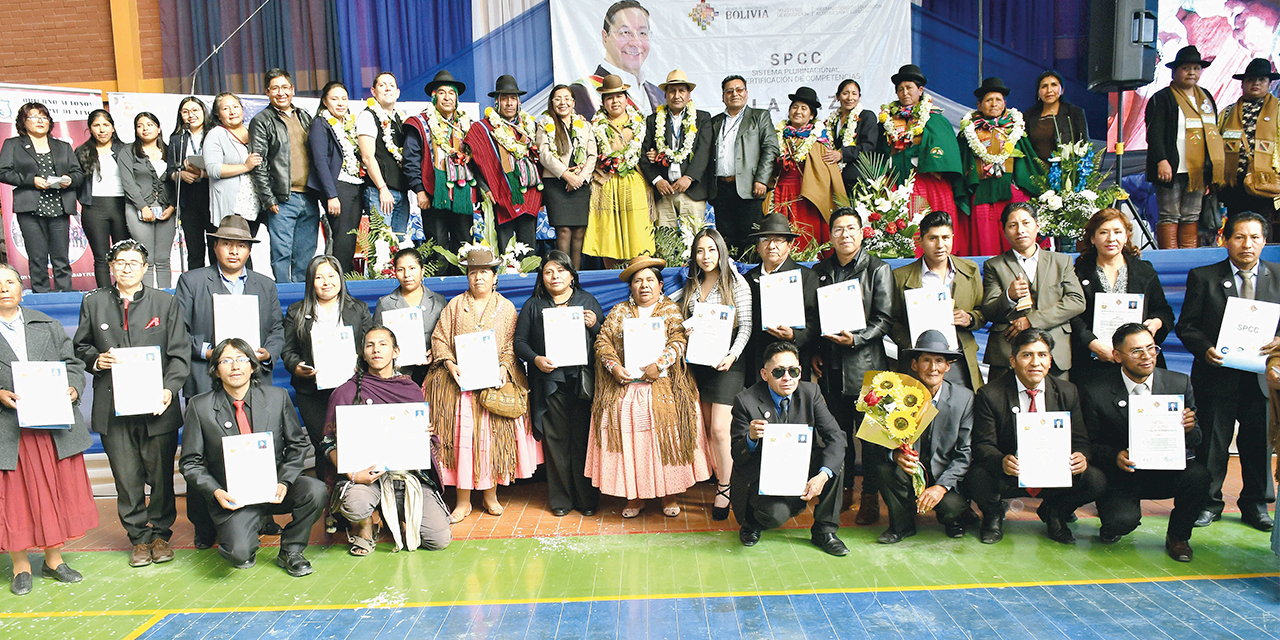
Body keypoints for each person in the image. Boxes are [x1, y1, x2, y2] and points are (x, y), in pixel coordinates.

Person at [73, 239, 190, 567]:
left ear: (145, 267)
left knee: (162, 476)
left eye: (133, 262)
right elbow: (80, 347)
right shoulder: (94, 302)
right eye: (120, 262)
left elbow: (179, 354)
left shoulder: (164, 303)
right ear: (110, 267)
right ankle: (138, 539)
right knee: (126, 478)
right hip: (114, 410)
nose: (126, 267)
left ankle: (160, 535)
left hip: (157, 408)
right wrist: (97, 360)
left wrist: (169, 390)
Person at [173, 214, 284, 547]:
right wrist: (209, 352)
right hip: (207, 380)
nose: (234, 251)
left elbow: (277, 330)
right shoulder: (192, 282)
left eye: (241, 245)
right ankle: (204, 526)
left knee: (257, 444)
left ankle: (262, 514)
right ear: (215, 246)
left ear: (248, 250)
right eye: (227, 244)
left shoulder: (265, 284)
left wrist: (265, 353)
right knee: (203, 454)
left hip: (253, 380)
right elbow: (179, 331)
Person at [180, 338, 325, 577]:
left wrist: (284, 481)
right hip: (232, 495)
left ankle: (292, 551)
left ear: (253, 365)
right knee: (238, 554)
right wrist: (216, 491)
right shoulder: (200, 406)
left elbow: (297, 445)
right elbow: (190, 462)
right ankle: (247, 530)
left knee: (315, 491)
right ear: (216, 370)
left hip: (275, 487)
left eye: (241, 359)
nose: (235, 366)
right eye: (226, 360)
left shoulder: (277, 397)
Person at [422, 245, 541, 522]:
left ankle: (490, 495)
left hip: (492, 386)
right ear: (467, 276)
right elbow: (439, 338)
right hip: (460, 387)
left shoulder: (506, 308)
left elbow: (513, 344)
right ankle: (462, 501)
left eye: (484, 273)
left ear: (494, 276)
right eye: (473, 273)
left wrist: (503, 367)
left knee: (491, 439)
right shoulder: (454, 306)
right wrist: (450, 364)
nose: (479, 278)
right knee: (463, 440)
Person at [1174, 211, 1277, 531]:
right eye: (1240, 237)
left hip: (1262, 378)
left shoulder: (1278, 276)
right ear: (1225, 239)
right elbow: (1186, 326)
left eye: (1255, 237)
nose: (1248, 244)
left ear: (1264, 241)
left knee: (1259, 442)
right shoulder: (1204, 276)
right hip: (1216, 375)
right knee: (1213, 445)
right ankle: (1208, 502)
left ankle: (1256, 504)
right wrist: (1205, 350)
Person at [587, 254, 711, 517]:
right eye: (638, 281)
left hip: (662, 384)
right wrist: (614, 367)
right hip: (626, 384)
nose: (644, 285)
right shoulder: (619, 312)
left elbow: (678, 339)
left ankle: (669, 495)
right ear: (631, 287)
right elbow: (602, 342)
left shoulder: (670, 310)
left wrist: (661, 364)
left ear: (660, 285)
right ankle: (634, 497)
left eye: (650, 280)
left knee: (665, 434)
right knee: (628, 432)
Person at [0, 264, 98, 596]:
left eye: (10, 281)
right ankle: (21, 565)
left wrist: (72, 387)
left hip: (49, 425)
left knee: (52, 492)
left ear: (20, 287)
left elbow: (74, 364)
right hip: (9, 432)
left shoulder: (47, 324)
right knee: (15, 499)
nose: (4, 288)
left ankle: (54, 560)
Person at [1078, 323, 1209, 561]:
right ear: (1117, 356)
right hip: (1121, 475)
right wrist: (1115, 456)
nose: (1147, 356)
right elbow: (1088, 443)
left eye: (1151, 348)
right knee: (1119, 523)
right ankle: (1112, 522)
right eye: (1136, 351)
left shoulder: (1179, 383)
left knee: (1199, 476)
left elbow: (1197, 439)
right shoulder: (1095, 390)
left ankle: (1179, 537)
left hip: (1165, 470)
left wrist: (1189, 429)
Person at [967, 328, 1106, 544]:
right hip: (1012, 472)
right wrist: (1002, 461)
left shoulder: (1068, 392)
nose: (1035, 362)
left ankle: (1055, 512)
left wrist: (1081, 455)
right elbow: (983, 444)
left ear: (1050, 361)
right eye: (1027, 355)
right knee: (976, 477)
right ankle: (993, 516)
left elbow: (1080, 439)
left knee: (1095, 480)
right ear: (1013, 361)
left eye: (1042, 355)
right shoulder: (991, 394)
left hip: (1053, 471)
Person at [321, 326, 451, 555]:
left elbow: (418, 439)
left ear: (396, 351)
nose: (376, 350)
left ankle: (399, 515)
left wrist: (425, 433)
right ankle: (367, 523)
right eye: (369, 345)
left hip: (405, 476)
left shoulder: (409, 389)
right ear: (362, 353)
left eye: (383, 344)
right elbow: (328, 443)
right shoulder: (345, 392)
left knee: (438, 540)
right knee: (355, 504)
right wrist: (353, 474)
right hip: (366, 479)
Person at [812, 207, 893, 524]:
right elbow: (816, 318)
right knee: (838, 435)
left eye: (851, 229)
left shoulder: (877, 269)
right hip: (831, 368)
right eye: (838, 229)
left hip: (867, 368)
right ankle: (842, 491)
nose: (844, 235)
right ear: (830, 235)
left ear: (862, 233)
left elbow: (884, 319)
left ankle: (870, 497)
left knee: (871, 439)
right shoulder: (821, 270)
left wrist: (857, 339)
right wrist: (818, 350)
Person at [731, 341, 849, 556]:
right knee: (776, 515)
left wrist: (823, 475)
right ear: (765, 374)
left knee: (833, 461)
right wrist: (750, 437)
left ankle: (825, 531)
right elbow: (737, 455)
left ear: (800, 372)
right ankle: (752, 522)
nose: (787, 378)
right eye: (778, 372)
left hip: (799, 466)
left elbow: (836, 436)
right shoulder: (745, 401)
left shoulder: (811, 392)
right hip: (763, 477)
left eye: (793, 371)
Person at [514, 251, 604, 516]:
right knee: (556, 443)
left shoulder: (587, 301)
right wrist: (536, 359)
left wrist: (595, 325)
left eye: (561, 271)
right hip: (549, 383)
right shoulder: (534, 305)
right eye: (549, 272)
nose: (555, 276)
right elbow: (520, 343)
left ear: (572, 276)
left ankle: (587, 500)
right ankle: (561, 500)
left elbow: (606, 340)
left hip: (582, 383)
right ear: (542, 278)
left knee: (583, 440)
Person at [679, 228, 752, 521]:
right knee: (708, 428)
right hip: (699, 363)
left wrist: (732, 355)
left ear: (721, 252)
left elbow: (745, 326)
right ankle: (721, 476)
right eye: (700, 251)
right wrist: (686, 328)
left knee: (722, 430)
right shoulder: (691, 285)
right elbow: (683, 320)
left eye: (711, 250)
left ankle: (726, 487)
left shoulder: (737, 285)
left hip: (727, 365)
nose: (706, 256)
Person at [877, 330, 975, 544]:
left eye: (939, 361)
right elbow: (882, 441)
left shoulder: (964, 398)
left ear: (948, 366)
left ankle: (954, 518)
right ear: (914, 365)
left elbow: (965, 453)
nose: (933, 368)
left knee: (951, 507)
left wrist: (940, 488)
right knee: (884, 468)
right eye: (926, 361)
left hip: (945, 478)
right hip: (912, 473)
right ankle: (901, 526)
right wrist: (894, 456)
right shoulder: (898, 396)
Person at [282, 255, 373, 483]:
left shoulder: (358, 309)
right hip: (312, 394)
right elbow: (288, 351)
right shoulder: (297, 311)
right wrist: (296, 367)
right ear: (310, 282)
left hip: (352, 390)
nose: (326, 282)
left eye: (331, 276)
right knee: (324, 445)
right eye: (319, 277)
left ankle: (350, 500)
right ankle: (328, 502)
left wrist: (360, 362)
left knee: (352, 443)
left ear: (340, 278)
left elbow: (369, 345)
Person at [980, 202, 1085, 382]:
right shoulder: (994, 266)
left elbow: (1076, 301)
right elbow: (989, 311)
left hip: (1055, 354)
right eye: (1013, 225)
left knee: (1055, 407)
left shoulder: (1061, 261)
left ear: (1037, 226)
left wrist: (1031, 320)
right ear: (1005, 231)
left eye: (1026, 223)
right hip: (1008, 355)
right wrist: (1009, 297)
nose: (1020, 230)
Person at [1069, 208, 1175, 379]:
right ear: (1093, 238)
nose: (1111, 238)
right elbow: (1073, 316)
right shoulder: (1077, 273)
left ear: (1126, 237)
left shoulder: (1144, 270)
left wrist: (1156, 322)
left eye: (1117, 232)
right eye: (1104, 232)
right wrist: (1093, 344)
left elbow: (1163, 310)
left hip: (1139, 363)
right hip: (1093, 363)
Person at [889, 211, 986, 391]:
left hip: (959, 358)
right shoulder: (900, 277)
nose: (940, 245)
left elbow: (982, 311)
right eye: (933, 238)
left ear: (952, 238)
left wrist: (970, 318)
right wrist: (909, 343)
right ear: (921, 241)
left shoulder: (970, 270)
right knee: (917, 412)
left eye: (945, 237)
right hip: (918, 361)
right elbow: (891, 320)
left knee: (962, 409)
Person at [877, 65, 963, 255]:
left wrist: (914, 152)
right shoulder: (888, 119)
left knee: (932, 224)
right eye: (900, 89)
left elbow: (942, 144)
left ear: (920, 90)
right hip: (896, 182)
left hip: (927, 178)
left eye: (909, 87)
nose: (905, 92)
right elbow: (881, 149)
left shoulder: (933, 117)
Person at [1145, 46, 1224, 249]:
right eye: (1186, 68)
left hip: (1197, 170)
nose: (1191, 72)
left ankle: (1187, 259)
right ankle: (1169, 259)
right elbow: (1154, 135)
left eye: (1196, 68)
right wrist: (1162, 160)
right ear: (1174, 71)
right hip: (1170, 167)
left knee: (1191, 215)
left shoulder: (1205, 98)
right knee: (1169, 214)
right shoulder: (1162, 98)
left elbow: (1212, 134)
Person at [0, 102, 83, 293]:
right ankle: (41, 299)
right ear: (23, 121)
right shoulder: (13, 145)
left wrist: (69, 179)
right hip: (30, 208)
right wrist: (31, 180)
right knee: (37, 258)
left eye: (44, 117)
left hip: (59, 207)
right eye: (34, 117)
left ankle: (66, 296)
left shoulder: (62, 146)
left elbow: (78, 174)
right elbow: (3, 172)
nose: (40, 121)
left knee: (61, 258)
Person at [955, 77, 1042, 257]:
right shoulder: (969, 131)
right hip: (981, 195)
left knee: (1015, 234)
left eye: (998, 100)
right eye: (988, 100)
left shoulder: (1015, 129)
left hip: (1010, 194)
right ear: (979, 105)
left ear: (1005, 104)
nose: (993, 104)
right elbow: (962, 161)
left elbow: (1027, 161)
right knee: (985, 242)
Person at [250, 69, 319, 283]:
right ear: (267, 92)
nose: (281, 93)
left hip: (309, 197)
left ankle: (302, 304)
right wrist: (268, 199)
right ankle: (285, 302)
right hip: (282, 200)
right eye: (275, 88)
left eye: (285, 87)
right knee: (282, 256)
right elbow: (257, 163)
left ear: (292, 90)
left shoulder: (304, 116)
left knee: (306, 255)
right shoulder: (262, 120)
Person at [583, 74, 655, 267]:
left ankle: (641, 274)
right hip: (606, 185)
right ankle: (613, 278)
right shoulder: (595, 124)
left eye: (619, 96)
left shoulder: (641, 122)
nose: (615, 101)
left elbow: (649, 150)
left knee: (638, 233)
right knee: (609, 235)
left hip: (635, 182)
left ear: (626, 98)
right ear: (603, 102)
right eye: (609, 97)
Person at [403, 70, 475, 259]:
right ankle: (439, 287)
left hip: (462, 196)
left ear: (457, 98)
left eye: (451, 93)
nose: (447, 97)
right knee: (438, 248)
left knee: (464, 247)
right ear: (434, 97)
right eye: (442, 92)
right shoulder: (420, 123)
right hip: (433, 195)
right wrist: (419, 190)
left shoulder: (467, 125)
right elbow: (411, 160)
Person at [467, 75, 543, 250]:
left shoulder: (530, 127)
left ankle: (529, 277)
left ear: (519, 102)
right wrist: (484, 188)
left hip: (528, 195)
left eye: (513, 98)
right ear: (497, 102)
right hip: (498, 195)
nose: (509, 103)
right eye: (504, 99)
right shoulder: (483, 129)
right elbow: (474, 163)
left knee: (527, 248)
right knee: (503, 248)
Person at [766, 87, 845, 253]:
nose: (798, 111)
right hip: (781, 192)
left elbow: (826, 172)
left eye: (804, 108)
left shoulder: (819, 138)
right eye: (795, 107)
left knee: (807, 235)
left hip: (807, 195)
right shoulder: (777, 135)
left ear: (811, 115)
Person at [741, 214, 819, 379]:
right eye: (765, 240)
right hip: (755, 363)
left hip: (792, 364)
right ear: (758, 246)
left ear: (789, 245)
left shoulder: (806, 277)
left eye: (778, 240)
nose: (771, 246)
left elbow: (815, 320)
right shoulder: (747, 279)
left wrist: (793, 335)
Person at [707, 75, 777, 253]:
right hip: (721, 190)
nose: (734, 94)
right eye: (729, 91)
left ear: (746, 93)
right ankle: (729, 278)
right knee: (725, 240)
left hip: (749, 188)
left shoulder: (759, 116)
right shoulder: (714, 122)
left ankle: (751, 278)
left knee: (750, 240)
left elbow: (770, 148)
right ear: (723, 97)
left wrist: (761, 179)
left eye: (739, 90)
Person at [640, 69, 712, 229]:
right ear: (665, 95)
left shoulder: (702, 118)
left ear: (689, 95)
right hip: (664, 192)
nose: (676, 95)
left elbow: (704, 151)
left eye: (681, 91)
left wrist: (689, 177)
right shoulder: (653, 120)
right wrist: (657, 180)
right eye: (672, 91)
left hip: (692, 192)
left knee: (693, 242)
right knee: (665, 244)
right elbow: (643, 155)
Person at [537, 85, 599, 270]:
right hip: (556, 184)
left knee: (579, 232)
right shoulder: (544, 124)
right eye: (557, 98)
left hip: (581, 184)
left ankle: (576, 277)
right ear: (552, 102)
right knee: (563, 231)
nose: (562, 102)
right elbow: (544, 154)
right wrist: (567, 176)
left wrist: (580, 178)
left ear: (573, 102)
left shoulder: (585, 125)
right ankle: (563, 274)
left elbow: (592, 155)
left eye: (566, 98)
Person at [308, 81, 365, 274]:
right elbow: (320, 161)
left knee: (351, 239)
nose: (340, 103)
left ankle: (348, 279)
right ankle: (338, 281)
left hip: (355, 184)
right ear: (325, 101)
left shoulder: (349, 125)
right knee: (341, 239)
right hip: (338, 187)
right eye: (334, 99)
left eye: (344, 98)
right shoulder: (320, 123)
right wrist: (331, 195)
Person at [1219, 58, 1280, 238]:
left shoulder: (1278, 110)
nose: (1256, 83)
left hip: (1265, 180)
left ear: (1270, 83)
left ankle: (1262, 262)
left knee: (1262, 223)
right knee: (1236, 224)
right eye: (1251, 79)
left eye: (1261, 80)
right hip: (1234, 181)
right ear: (1243, 83)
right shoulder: (1228, 112)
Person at [570, 0, 663, 117]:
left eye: (642, 33)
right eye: (625, 32)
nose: (635, 42)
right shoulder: (582, 93)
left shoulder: (659, 95)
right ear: (605, 38)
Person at [119, 112, 177, 289]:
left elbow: (177, 180)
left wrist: (173, 206)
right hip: (138, 209)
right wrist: (143, 207)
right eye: (140, 125)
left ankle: (166, 299)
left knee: (163, 259)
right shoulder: (127, 151)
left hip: (167, 209)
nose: (145, 128)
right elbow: (128, 182)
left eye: (150, 124)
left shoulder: (170, 151)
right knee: (147, 258)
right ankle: (147, 298)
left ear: (158, 128)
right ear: (135, 130)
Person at [372, 248, 446, 387]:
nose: (407, 275)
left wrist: (435, 351)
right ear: (395, 272)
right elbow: (376, 339)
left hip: (433, 376)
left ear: (422, 270)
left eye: (412, 268)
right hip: (397, 376)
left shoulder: (438, 301)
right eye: (401, 270)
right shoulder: (385, 303)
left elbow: (446, 338)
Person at [76, 109, 131, 287]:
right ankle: (104, 295)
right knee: (101, 257)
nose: (102, 130)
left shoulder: (125, 150)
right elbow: (76, 180)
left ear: (113, 128)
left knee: (122, 255)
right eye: (96, 125)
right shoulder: (82, 151)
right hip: (94, 207)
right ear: (90, 129)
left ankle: (124, 292)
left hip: (121, 206)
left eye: (106, 125)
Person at [358, 72, 413, 238]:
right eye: (382, 85)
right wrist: (382, 188)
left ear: (397, 92)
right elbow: (367, 157)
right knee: (382, 246)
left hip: (401, 192)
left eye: (392, 85)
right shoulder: (368, 115)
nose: (387, 88)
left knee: (399, 244)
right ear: (373, 91)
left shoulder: (401, 119)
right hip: (379, 191)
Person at [204, 93, 263, 236]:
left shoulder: (253, 132)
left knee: (247, 248)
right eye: (225, 108)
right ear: (218, 114)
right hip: (233, 205)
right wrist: (246, 167)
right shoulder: (216, 134)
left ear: (242, 110)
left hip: (255, 204)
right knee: (235, 248)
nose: (232, 111)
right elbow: (213, 169)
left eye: (236, 107)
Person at [167, 96, 214, 271]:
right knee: (194, 251)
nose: (191, 115)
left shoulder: (214, 133)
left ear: (203, 112)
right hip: (188, 197)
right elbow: (170, 171)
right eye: (186, 112)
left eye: (195, 110)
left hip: (211, 194)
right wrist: (180, 175)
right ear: (181, 115)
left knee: (215, 247)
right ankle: (196, 290)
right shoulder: (177, 139)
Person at [822, 78, 879, 195]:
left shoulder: (867, 116)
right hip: (835, 179)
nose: (850, 98)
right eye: (845, 93)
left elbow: (868, 146)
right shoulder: (833, 120)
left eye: (854, 94)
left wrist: (842, 154)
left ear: (859, 97)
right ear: (838, 97)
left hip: (858, 178)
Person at [1025, 70, 1089, 163]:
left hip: (1065, 172)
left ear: (1062, 90)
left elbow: (1084, 146)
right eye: (1044, 86)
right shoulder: (1028, 116)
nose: (1049, 90)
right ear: (1038, 92)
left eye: (1054, 85)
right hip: (1035, 172)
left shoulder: (1074, 113)